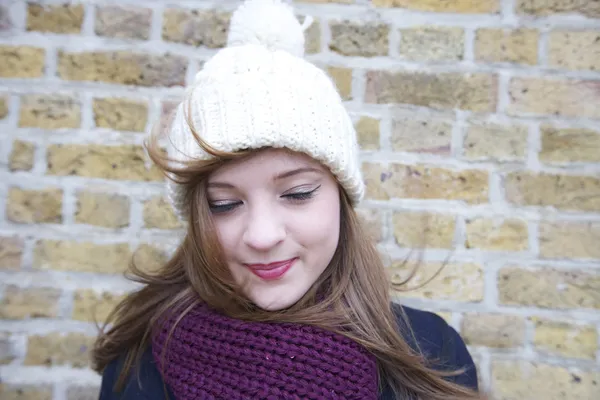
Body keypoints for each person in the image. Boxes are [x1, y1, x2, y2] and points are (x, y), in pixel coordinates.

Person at [94, 1, 482, 399]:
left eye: (296, 194)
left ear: (341, 197)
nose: (262, 236)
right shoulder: (137, 366)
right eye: (224, 204)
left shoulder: (432, 355)